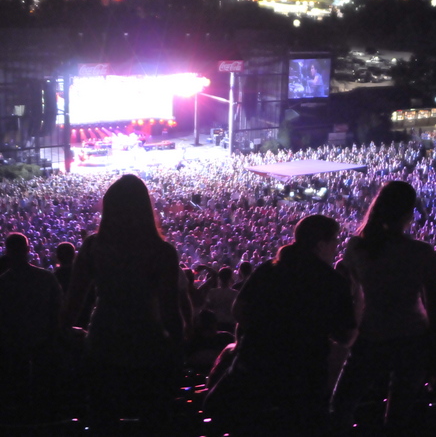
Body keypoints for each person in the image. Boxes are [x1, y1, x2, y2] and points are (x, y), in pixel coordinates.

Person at [205, 214, 356, 435]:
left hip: (256, 366)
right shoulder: (333, 282)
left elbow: (239, 310)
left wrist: (265, 331)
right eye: (335, 240)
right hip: (304, 378)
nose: (336, 246)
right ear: (321, 244)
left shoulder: (269, 269)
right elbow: (346, 336)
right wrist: (359, 301)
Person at [61, 174, 184, 432]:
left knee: (101, 421)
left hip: (102, 343)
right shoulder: (163, 252)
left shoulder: (93, 247)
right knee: (152, 423)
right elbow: (171, 313)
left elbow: (71, 307)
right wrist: (177, 352)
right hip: (148, 344)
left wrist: (63, 336)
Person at [331, 181, 436, 432]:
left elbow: (351, 298)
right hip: (413, 337)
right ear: (408, 213)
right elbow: (434, 308)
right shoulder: (422, 252)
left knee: (341, 406)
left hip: (371, 335)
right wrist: (435, 354)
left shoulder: (357, 248)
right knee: (398, 417)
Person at [0, 232, 63, 406]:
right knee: (42, 393)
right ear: (28, 249)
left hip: (11, 348)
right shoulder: (46, 278)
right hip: (43, 344)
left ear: (7, 252)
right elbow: (58, 309)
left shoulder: (3, 283)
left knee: (15, 394)